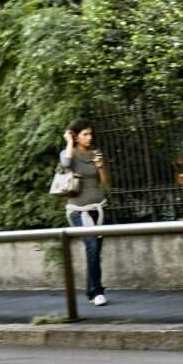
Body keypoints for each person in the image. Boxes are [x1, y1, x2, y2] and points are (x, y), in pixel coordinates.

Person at [61, 119, 111, 306]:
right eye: (85, 134)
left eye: (90, 134)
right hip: (77, 210)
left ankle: (91, 291)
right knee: (91, 246)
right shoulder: (69, 153)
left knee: (95, 250)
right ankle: (97, 291)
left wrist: (100, 166)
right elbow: (65, 165)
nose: (89, 137)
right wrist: (68, 142)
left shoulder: (95, 153)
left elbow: (105, 183)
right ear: (75, 135)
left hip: (97, 208)